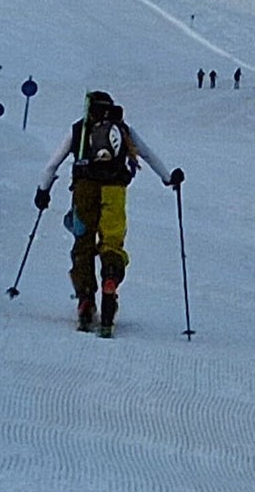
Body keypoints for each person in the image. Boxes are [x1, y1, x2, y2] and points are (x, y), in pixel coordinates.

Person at [37, 90, 176, 336]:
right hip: (115, 190)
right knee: (112, 241)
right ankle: (110, 280)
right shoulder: (122, 130)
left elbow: (52, 164)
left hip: (84, 190)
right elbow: (147, 154)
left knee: (83, 243)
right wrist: (169, 178)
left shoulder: (79, 130)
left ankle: (86, 300)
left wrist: (43, 191)